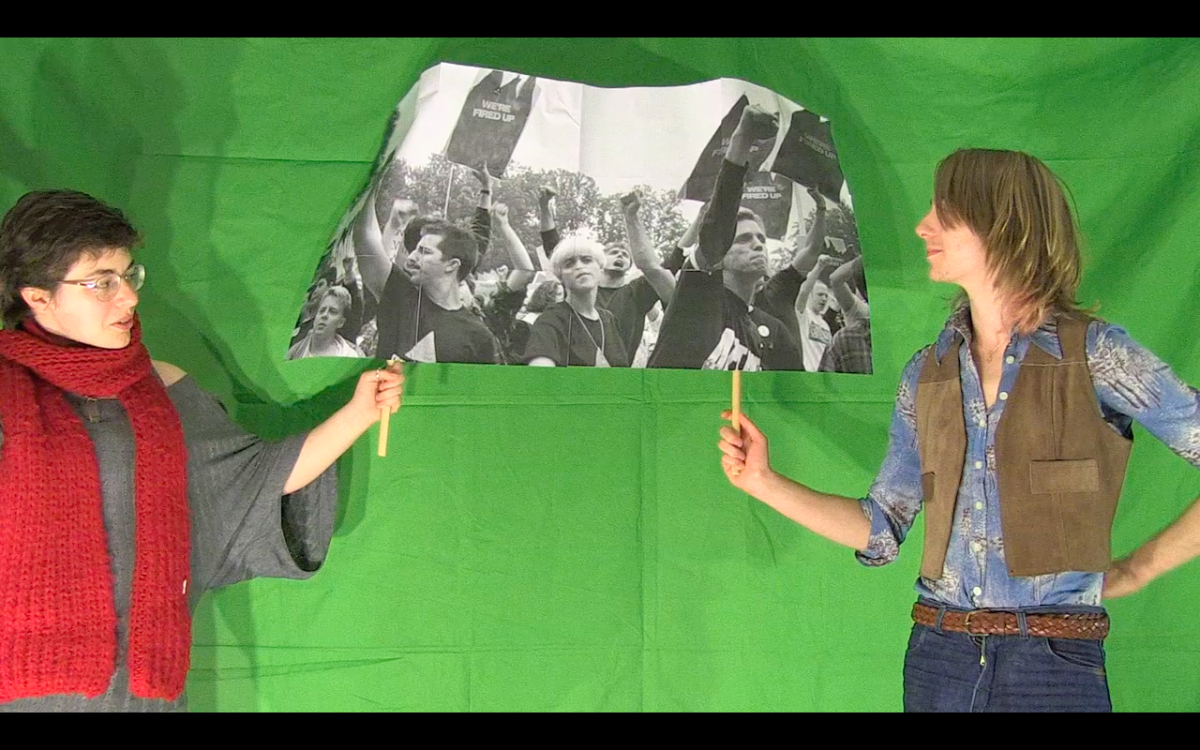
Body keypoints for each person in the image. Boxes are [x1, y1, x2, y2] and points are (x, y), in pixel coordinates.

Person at [717, 148, 1200, 712]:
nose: (924, 225)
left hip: (1052, 666)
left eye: (945, 211)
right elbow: (880, 529)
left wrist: (1138, 569)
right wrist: (763, 481)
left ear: (1005, 223)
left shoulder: (1097, 357)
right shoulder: (927, 373)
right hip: (937, 659)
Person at [0, 189, 403, 711]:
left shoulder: (162, 391)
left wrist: (359, 413)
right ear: (38, 296)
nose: (128, 297)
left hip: (141, 693)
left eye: (128, 276)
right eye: (102, 283)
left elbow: (256, 482)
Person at [648, 104, 803, 371]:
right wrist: (741, 140)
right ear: (721, 258)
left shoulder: (770, 330)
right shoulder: (697, 295)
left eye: (761, 239)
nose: (757, 244)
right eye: (743, 239)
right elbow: (716, 228)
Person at [523, 236, 630, 368]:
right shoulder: (551, 320)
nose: (579, 266)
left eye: (586, 260)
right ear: (560, 276)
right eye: (569, 263)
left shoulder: (609, 320)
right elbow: (540, 377)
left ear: (600, 268)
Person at [286, 285, 364, 359]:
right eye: (322, 310)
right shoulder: (294, 351)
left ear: (341, 322)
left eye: (332, 312)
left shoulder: (349, 356)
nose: (324, 315)